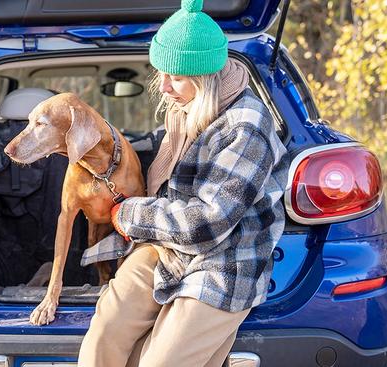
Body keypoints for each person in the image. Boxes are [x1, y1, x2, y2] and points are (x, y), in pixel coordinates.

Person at [77, 0, 289, 365]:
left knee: (160, 362)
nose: (164, 88)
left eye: (175, 77)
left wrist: (128, 214)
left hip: (225, 260)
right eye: (160, 73)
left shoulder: (246, 127)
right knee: (104, 337)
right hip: (167, 247)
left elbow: (207, 223)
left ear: (205, 78)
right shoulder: (185, 110)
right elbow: (165, 170)